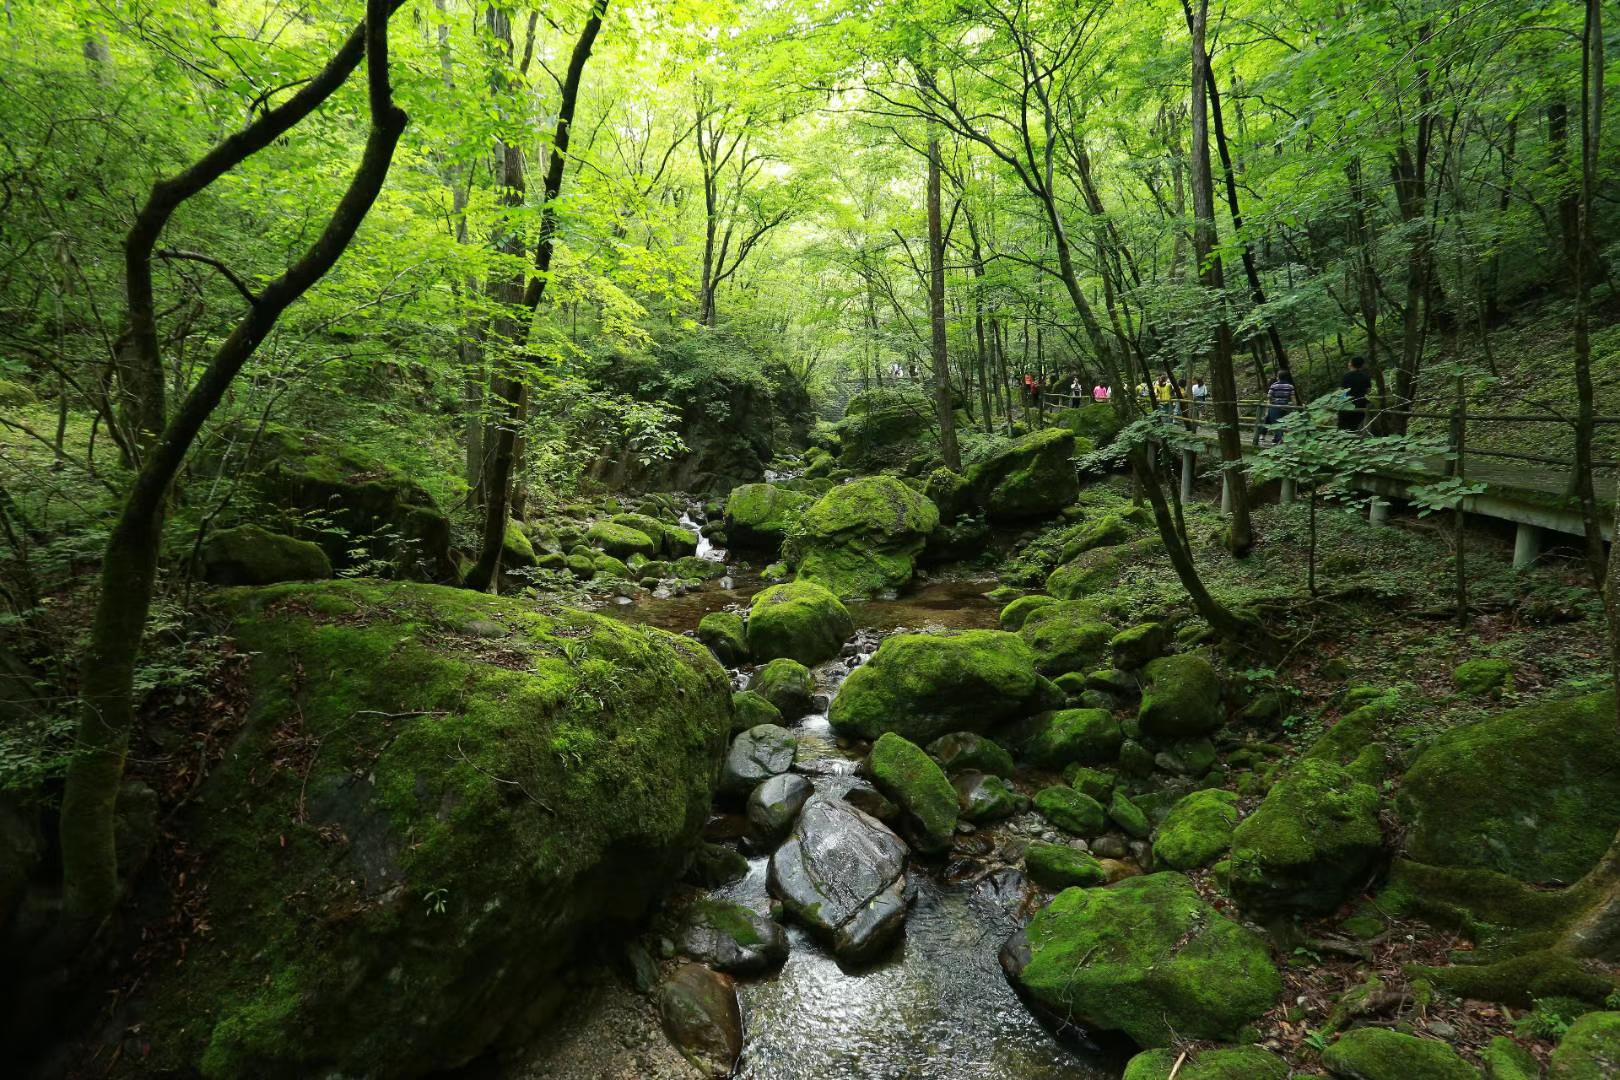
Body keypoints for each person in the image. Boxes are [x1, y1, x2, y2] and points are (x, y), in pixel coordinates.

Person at [1339, 356, 1373, 431]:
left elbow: (1341, 392)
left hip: (1347, 405)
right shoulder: (1365, 377)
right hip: (1361, 404)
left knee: (1344, 428)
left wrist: (1341, 402)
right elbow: (1368, 391)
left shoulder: (1346, 377)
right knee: (1355, 427)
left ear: (1351, 364)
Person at [1265, 367, 1297, 444]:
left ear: (1278, 377)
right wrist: (1294, 407)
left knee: (1276, 422)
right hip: (1286, 406)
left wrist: (1269, 404)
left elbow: (1269, 396)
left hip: (1275, 406)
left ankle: (1280, 439)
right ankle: (1277, 439)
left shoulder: (1274, 385)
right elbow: (1293, 398)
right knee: (1284, 422)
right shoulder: (1290, 386)